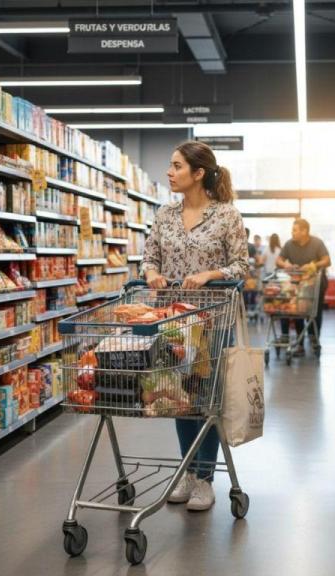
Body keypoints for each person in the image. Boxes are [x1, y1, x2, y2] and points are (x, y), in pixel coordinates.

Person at [141, 141, 249, 512]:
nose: (169, 172)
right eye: (170, 166)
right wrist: (153, 274)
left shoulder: (226, 216)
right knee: (177, 398)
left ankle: (205, 479)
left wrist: (211, 274)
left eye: (176, 166)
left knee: (206, 400)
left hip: (212, 320)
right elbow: (149, 257)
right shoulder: (164, 215)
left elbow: (241, 266)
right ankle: (187, 473)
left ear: (198, 173)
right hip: (170, 320)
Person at [276, 218, 330, 353]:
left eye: (295, 230)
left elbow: (327, 260)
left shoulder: (317, 243)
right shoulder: (289, 245)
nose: (292, 232)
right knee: (297, 310)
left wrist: (313, 265)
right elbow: (279, 260)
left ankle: (313, 337)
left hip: (316, 283)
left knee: (315, 312)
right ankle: (300, 342)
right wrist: (286, 264)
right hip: (298, 283)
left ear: (304, 231)